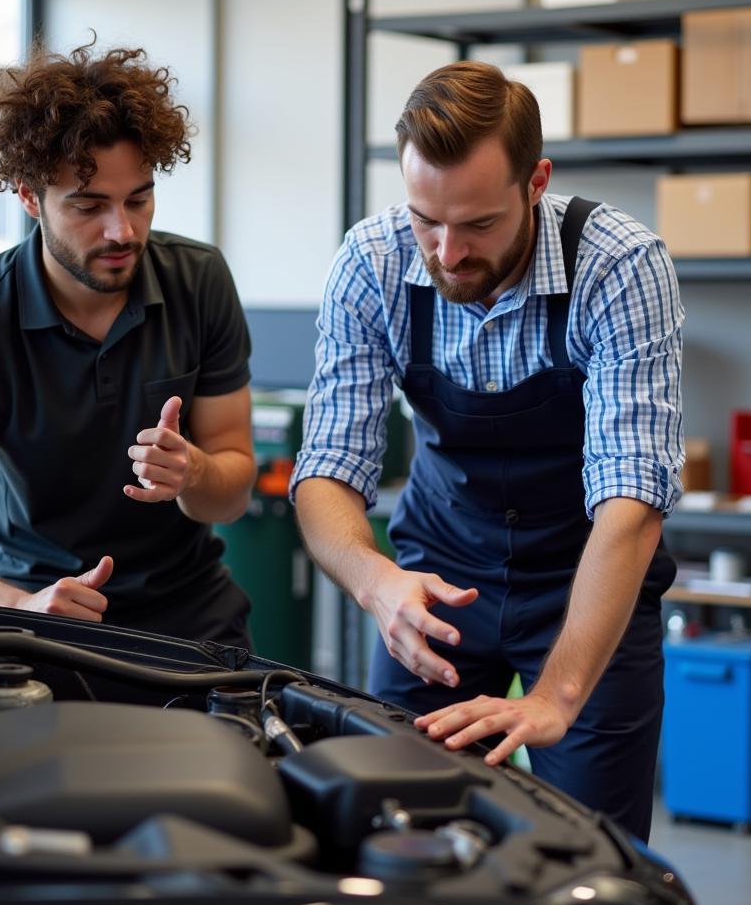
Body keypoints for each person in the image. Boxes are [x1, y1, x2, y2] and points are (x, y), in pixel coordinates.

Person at [292, 60, 683, 841]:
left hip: (586, 577)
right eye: (425, 220)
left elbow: (631, 508)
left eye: (477, 224)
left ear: (535, 182)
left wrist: (558, 698)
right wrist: (379, 586)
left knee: (594, 852)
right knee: (394, 832)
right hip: (434, 581)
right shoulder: (371, 263)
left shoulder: (619, 266)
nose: (448, 251)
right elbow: (326, 473)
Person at [0, 43, 256, 646]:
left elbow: (232, 492)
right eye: (89, 206)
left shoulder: (200, 280)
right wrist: (19, 604)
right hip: (33, 616)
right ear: (30, 198)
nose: (123, 230)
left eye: (139, 199)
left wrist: (193, 471)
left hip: (191, 619)